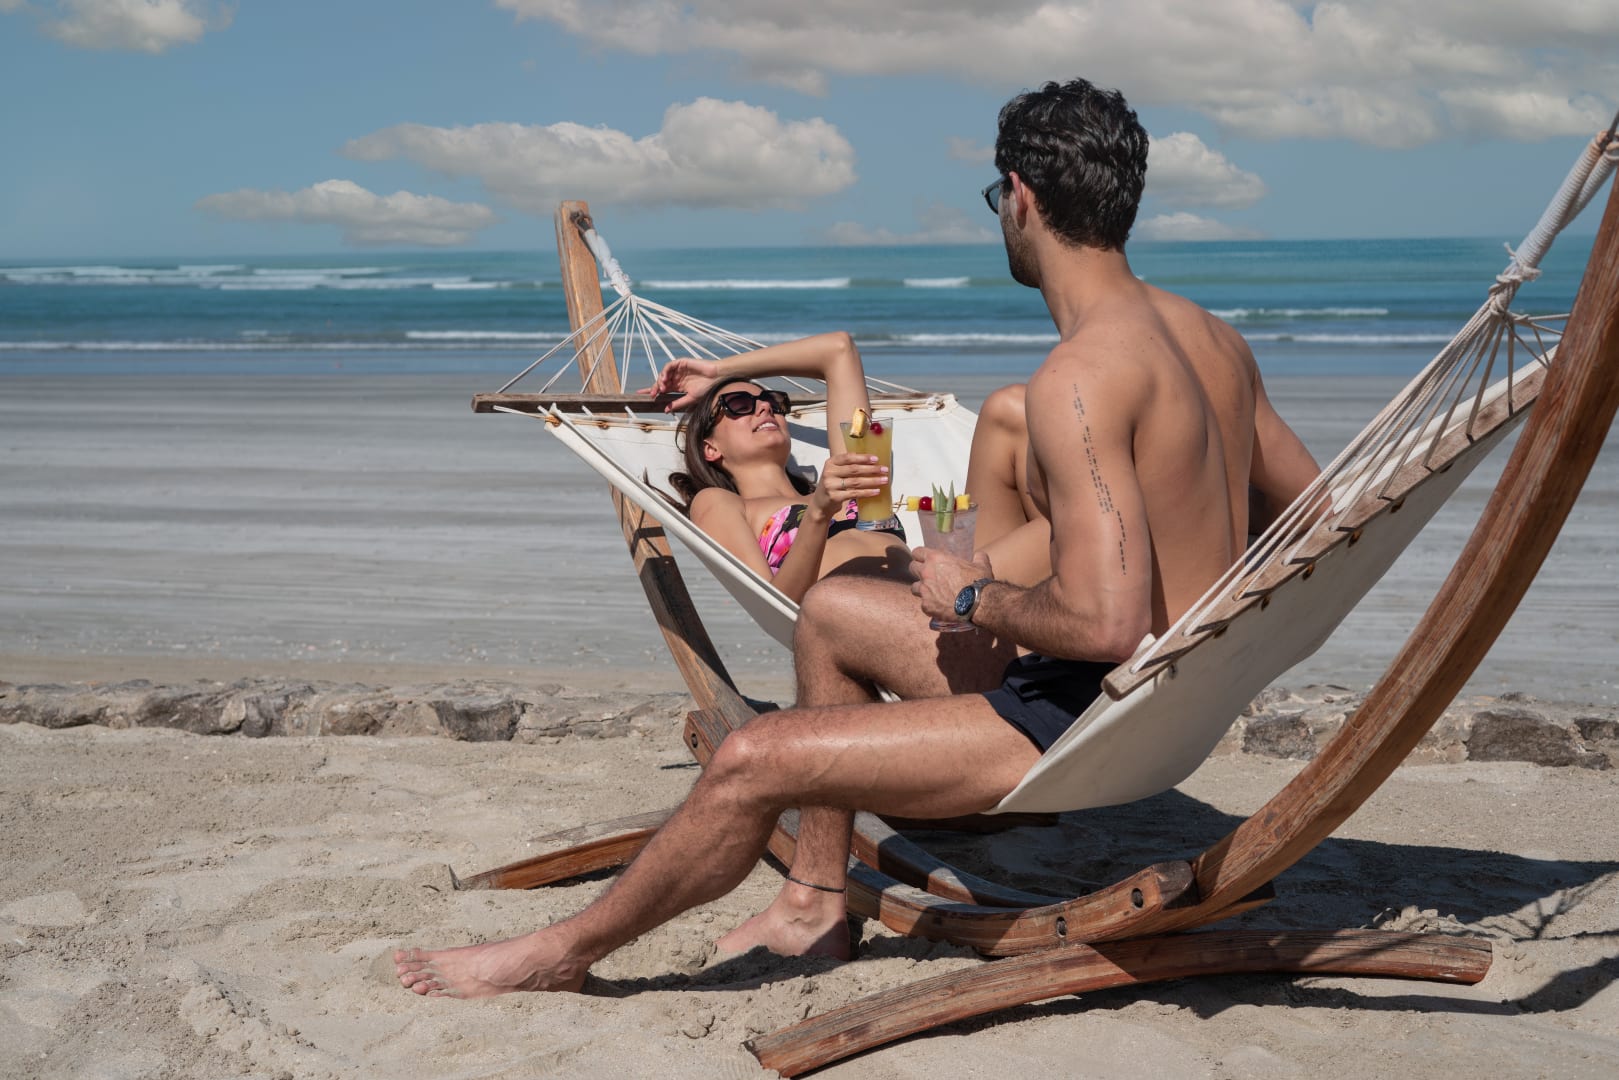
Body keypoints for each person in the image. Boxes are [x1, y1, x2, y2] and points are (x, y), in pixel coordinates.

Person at [393, 77, 1322, 996]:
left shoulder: (1079, 378)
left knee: (751, 756)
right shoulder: (1213, 342)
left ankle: (558, 954)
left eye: (997, 198)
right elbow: (1314, 513)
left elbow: (1105, 626)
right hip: (1173, 702)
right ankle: (812, 900)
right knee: (833, 610)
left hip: (1083, 716)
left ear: (1020, 197)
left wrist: (970, 593)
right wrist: (1197, 595)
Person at [642, 333, 910, 603]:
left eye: (772, 401)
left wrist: (717, 370)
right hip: (859, 619)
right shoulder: (720, 502)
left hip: (925, 607)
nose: (764, 407)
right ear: (710, 448)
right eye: (738, 404)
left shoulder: (847, 479)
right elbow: (772, 603)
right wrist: (818, 512)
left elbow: (839, 349)